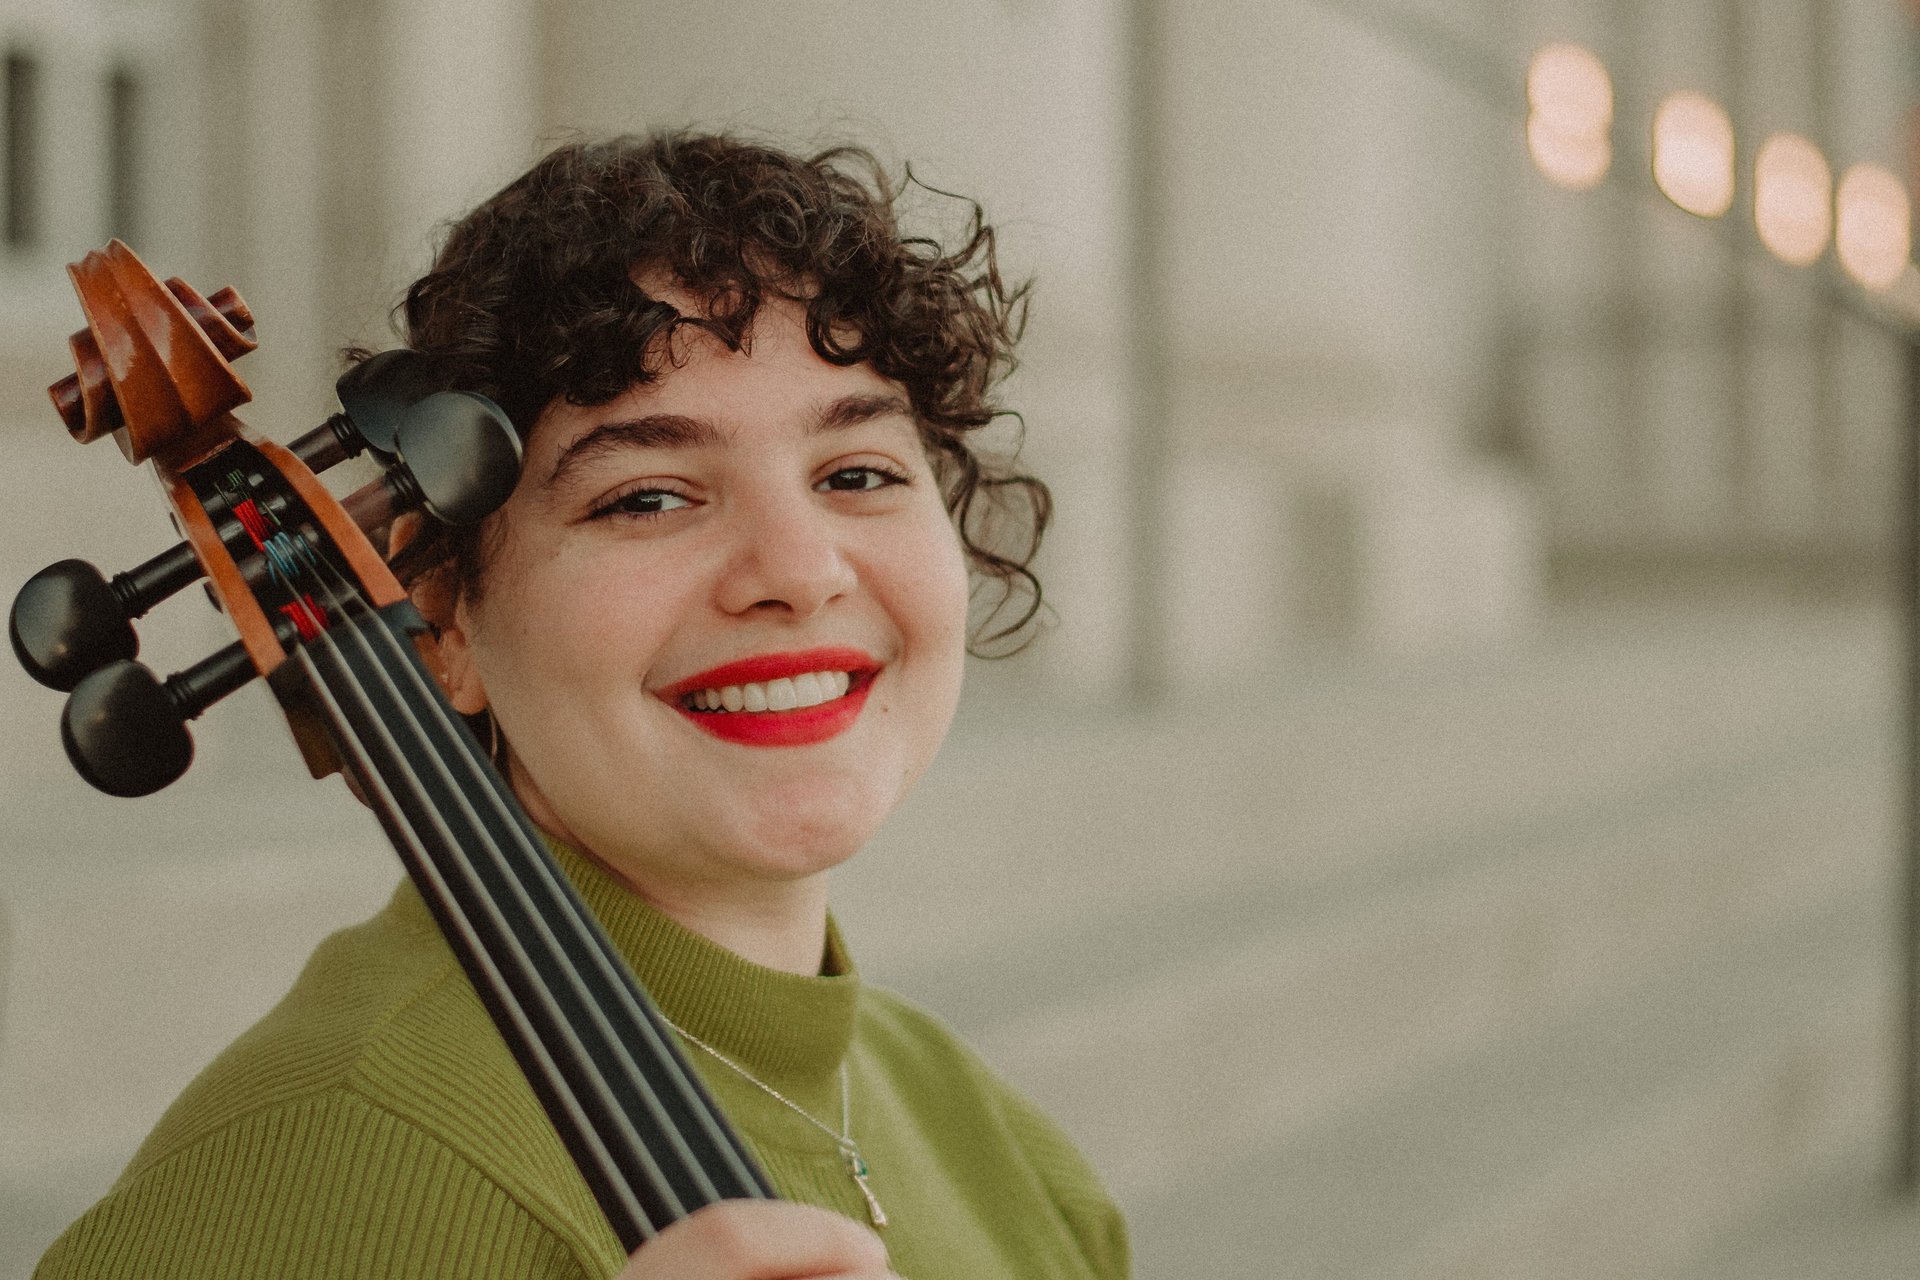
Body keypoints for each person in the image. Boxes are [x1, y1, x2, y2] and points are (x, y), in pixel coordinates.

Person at [34, 133, 1129, 1279]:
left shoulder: (1006, 1154)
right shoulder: (318, 1159)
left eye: (857, 474)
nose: (798, 570)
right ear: (446, 625)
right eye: (647, 496)